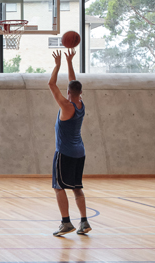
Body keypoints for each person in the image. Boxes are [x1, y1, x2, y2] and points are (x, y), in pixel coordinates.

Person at [48, 48, 90, 237]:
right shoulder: (81, 104)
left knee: (58, 187)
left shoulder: (66, 105)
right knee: (77, 188)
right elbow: (73, 83)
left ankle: (66, 223)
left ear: (68, 92)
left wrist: (57, 66)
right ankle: (84, 222)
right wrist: (70, 62)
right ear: (81, 92)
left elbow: (51, 83)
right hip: (80, 152)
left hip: (64, 153)